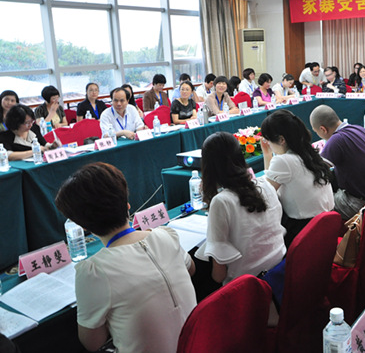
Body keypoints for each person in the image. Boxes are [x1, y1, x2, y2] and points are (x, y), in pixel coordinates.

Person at [55, 162, 196, 353]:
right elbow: (191, 269)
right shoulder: (165, 236)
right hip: (199, 344)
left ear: (83, 225)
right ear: (127, 204)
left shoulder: (94, 272)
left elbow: (93, 343)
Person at [194, 131, 286, 285]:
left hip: (246, 286)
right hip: (278, 270)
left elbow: (219, 275)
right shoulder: (265, 184)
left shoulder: (222, 201)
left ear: (208, 166)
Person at [261, 110, 334, 246]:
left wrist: (268, 156)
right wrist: (267, 155)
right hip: (326, 227)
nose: (267, 144)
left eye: (268, 140)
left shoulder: (284, 161)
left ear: (281, 140)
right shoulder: (310, 153)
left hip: (304, 231)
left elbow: (265, 192)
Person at [310, 105, 365, 220]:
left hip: (359, 204)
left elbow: (316, 171)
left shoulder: (336, 140)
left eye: (317, 132)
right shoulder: (359, 129)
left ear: (323, 129)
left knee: (316, 204)